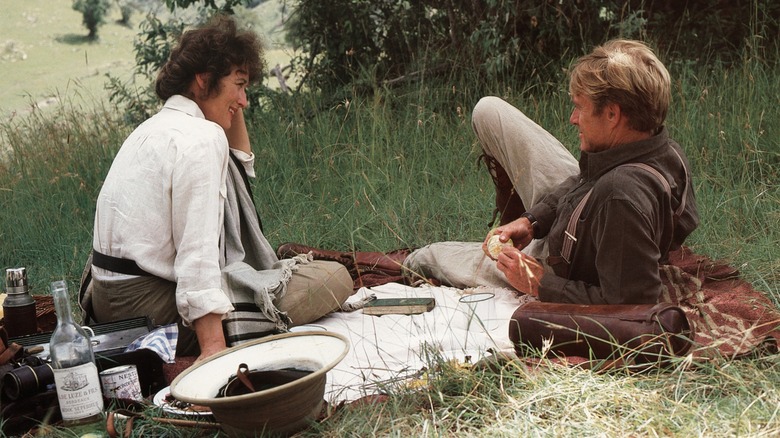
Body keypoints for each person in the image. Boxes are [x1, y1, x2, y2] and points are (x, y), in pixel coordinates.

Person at [278, 39, 699, 305]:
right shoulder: (658, 150)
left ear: (612, 114)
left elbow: (633, 302)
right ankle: (518, 217)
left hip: (562, 258)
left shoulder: (623, 194)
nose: (571, 119)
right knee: (489, 110)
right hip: (584, 212)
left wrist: (534, 281)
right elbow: (586, 182)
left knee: (429, 257)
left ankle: (383, 261)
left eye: (580, 108)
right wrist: (530, 219)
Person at [81, 15, 352, 362]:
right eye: (239, 85)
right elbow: (198, 253)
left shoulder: (154, 127)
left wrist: (227, 96)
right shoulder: (201, 139)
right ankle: (216, 334)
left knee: (276, 273)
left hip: (106, 305)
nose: (244, 101)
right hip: (152, 312)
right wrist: (213, 350)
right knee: (331, 278)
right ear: (203, 80)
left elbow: (238, 163)